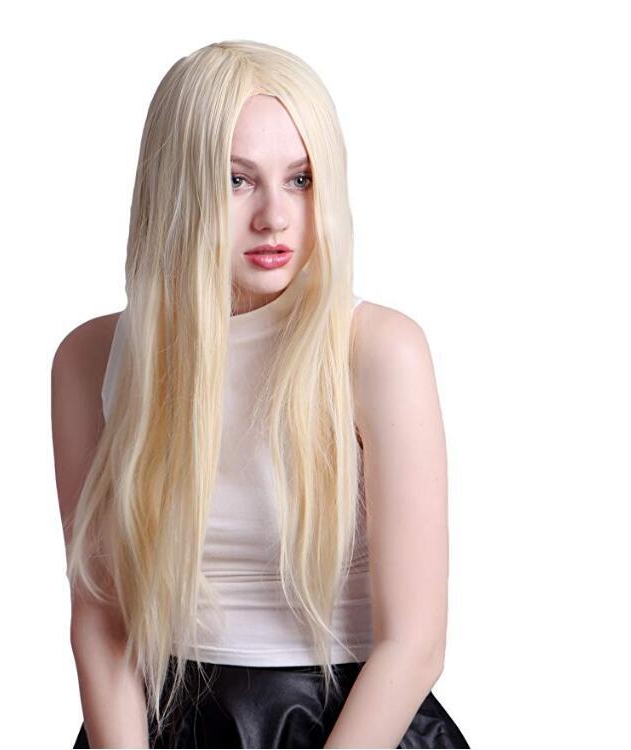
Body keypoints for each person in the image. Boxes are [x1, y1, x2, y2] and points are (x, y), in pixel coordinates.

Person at [52, 40, 469, 749]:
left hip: (350, 725)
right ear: (176, 187)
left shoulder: (379, 350)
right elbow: (101, 615)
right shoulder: (90, 358)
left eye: (301, 179)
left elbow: (414, 645)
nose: (275, 215)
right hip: (164, 725)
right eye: (237, 180)